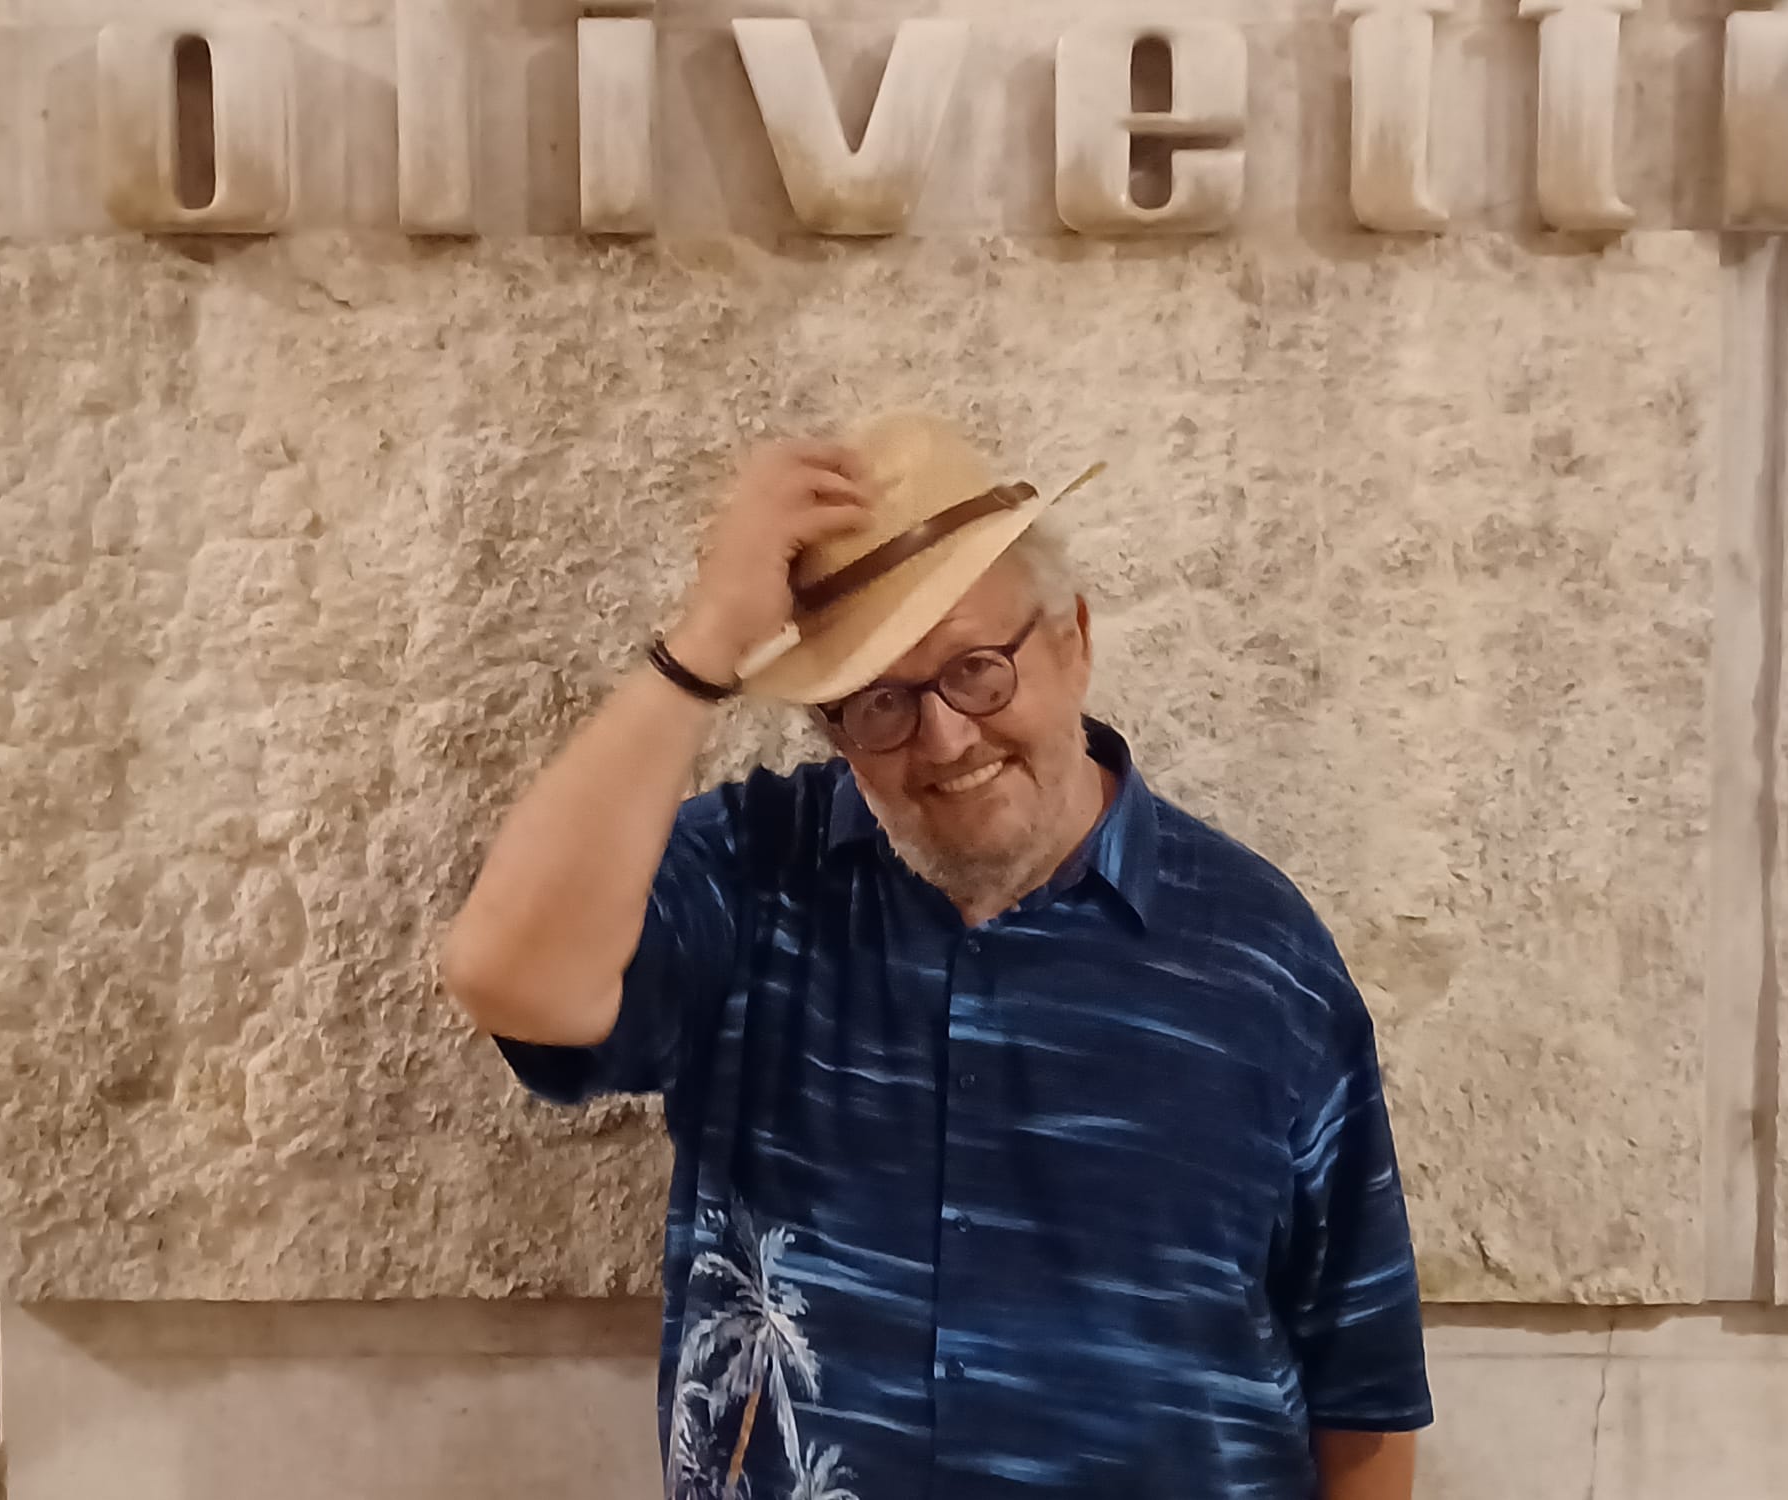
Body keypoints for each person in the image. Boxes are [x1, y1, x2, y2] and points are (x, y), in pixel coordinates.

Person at [443, 412, 1433, 1500]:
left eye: (977, 670)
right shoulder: (752, 878)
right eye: (879, 702)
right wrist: (705, 644)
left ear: (1073, 638)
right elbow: (509, 974)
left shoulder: (1261, 953)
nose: (945, 738)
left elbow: (1362, 1385)